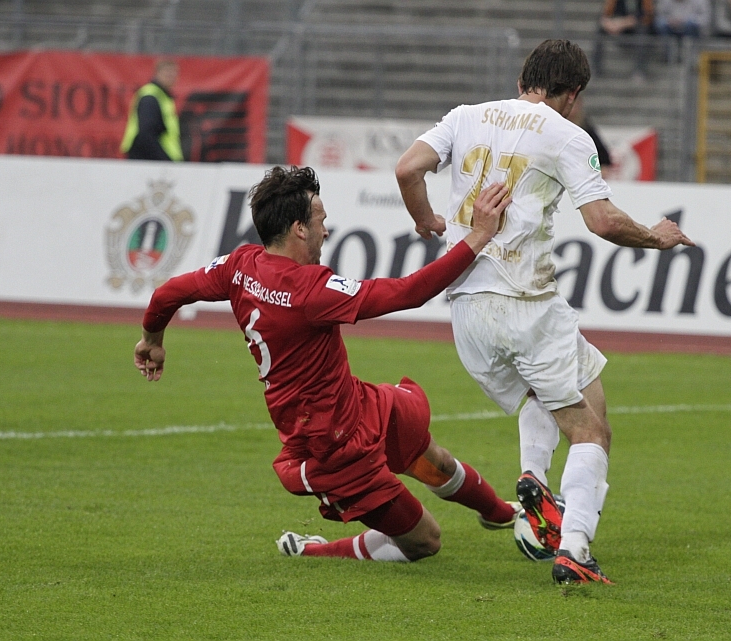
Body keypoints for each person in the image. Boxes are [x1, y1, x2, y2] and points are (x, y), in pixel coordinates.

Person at [395, 39, 694, 584]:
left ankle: (535, 479)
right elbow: (602, 221)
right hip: (525, 304)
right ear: (573, 94)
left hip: (466, 310)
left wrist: (425, 220)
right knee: (590, 432)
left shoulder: (465, 116)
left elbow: (407, 168)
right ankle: (575, 549)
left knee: (574, 380)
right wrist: (656, 237)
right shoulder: (567, 135)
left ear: (521, 82)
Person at [134, 166, 519, 563]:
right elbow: (410, 292)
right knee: (425, 541)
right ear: (299, 229)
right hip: (330, 448)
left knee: (430, 456)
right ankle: (313, 549)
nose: (327, 231)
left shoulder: (241, 265)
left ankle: (506, 515)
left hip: (356, 405)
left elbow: (169, 293)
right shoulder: (310, 292)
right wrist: (480, 235)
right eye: (321, 221)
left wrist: (152, 340)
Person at [120, 59, 184, 161]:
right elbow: (146, 134)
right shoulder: (150, 96)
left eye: (174, 73)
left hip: (155, 160)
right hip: (148, 160)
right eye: (167, 72)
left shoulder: (163, 96)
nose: (171, 76)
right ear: (157, 73)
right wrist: (164, 160)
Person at [592, 0, 654, 81]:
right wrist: (609, 24)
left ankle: (639, 70)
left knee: (643, 33)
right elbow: (604, 16)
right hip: (619, 26)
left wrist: (624, 23)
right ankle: (596, 68)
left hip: (636, 27)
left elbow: (647, 17)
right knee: (600, 30)